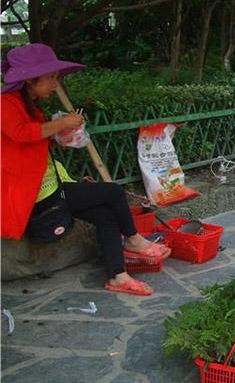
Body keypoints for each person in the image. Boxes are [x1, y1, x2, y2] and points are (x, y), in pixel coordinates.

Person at [1, 44, 171, 296]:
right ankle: (134, 240)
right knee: (112, 192)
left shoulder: (32, 107)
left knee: (105, 214)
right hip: (32, 193)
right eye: (50, 78)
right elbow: (21, 134)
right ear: (28, 80)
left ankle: (118, 276)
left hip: (49, 184)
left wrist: (63, 135)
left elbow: (34, 142)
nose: (55, 83)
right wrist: (60, 123)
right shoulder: (5, 103)